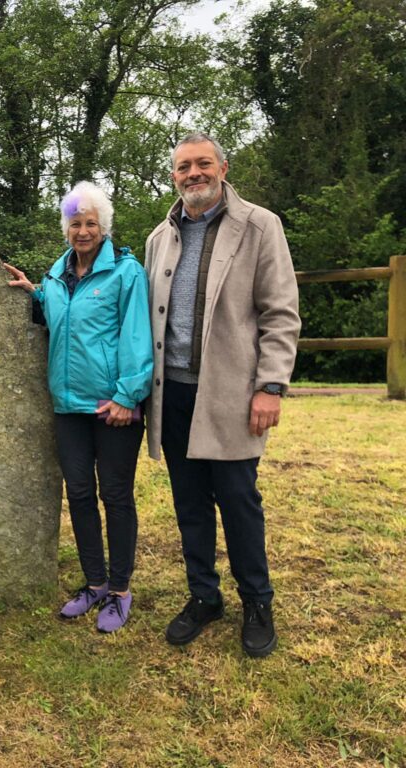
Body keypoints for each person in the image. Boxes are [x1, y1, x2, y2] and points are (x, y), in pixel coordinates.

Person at [144, 132, 300, 657]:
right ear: (173, 176)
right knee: (189, 504)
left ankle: (257, 602)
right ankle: (203, 597)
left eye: (203, 163)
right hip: (175, 396)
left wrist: (270, 386)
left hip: (233, 394)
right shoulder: (158, 239)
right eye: (184, 166)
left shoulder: (260, 226)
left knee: (238, 502)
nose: (194, 173)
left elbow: (281, 314)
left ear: (223, 167)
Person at [5, 181, 153, 633]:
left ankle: (121, 590)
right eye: (75, 223)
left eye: (91, 223)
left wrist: (129, 396)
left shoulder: (125, 273)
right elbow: (58, 318)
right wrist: (35, 292)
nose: (83, 230)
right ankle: (94, 583)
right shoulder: (56, 276)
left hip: (113, 409)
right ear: (66, 229)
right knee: (81, 495)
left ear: (103, 227)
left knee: (115, 495)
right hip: (68, 406)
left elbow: (137, 335)